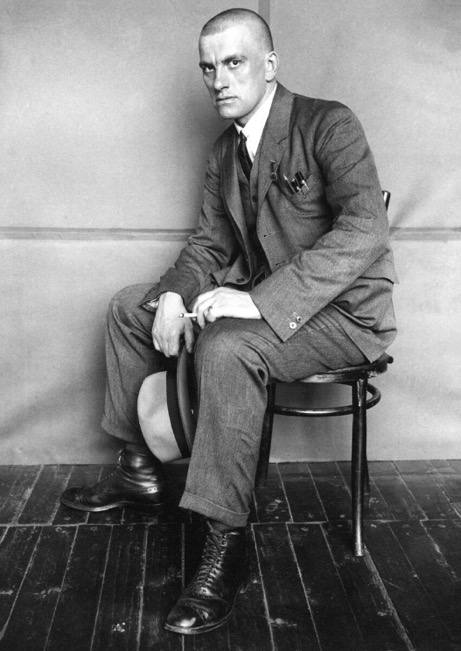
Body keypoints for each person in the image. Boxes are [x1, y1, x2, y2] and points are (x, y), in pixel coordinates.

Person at [61, 8, 397, 635]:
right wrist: (171, 295)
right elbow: (210, 246)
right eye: (208, 67)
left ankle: (226, 542)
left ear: (270, 66)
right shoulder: (225, 150)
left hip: (343, 315)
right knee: (129, 307)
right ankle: (140, 471)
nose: (218, 80)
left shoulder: (329, 123)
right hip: (267, 305)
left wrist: (259, 301)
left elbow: (364, 229)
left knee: (226, 346)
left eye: (234, 62)